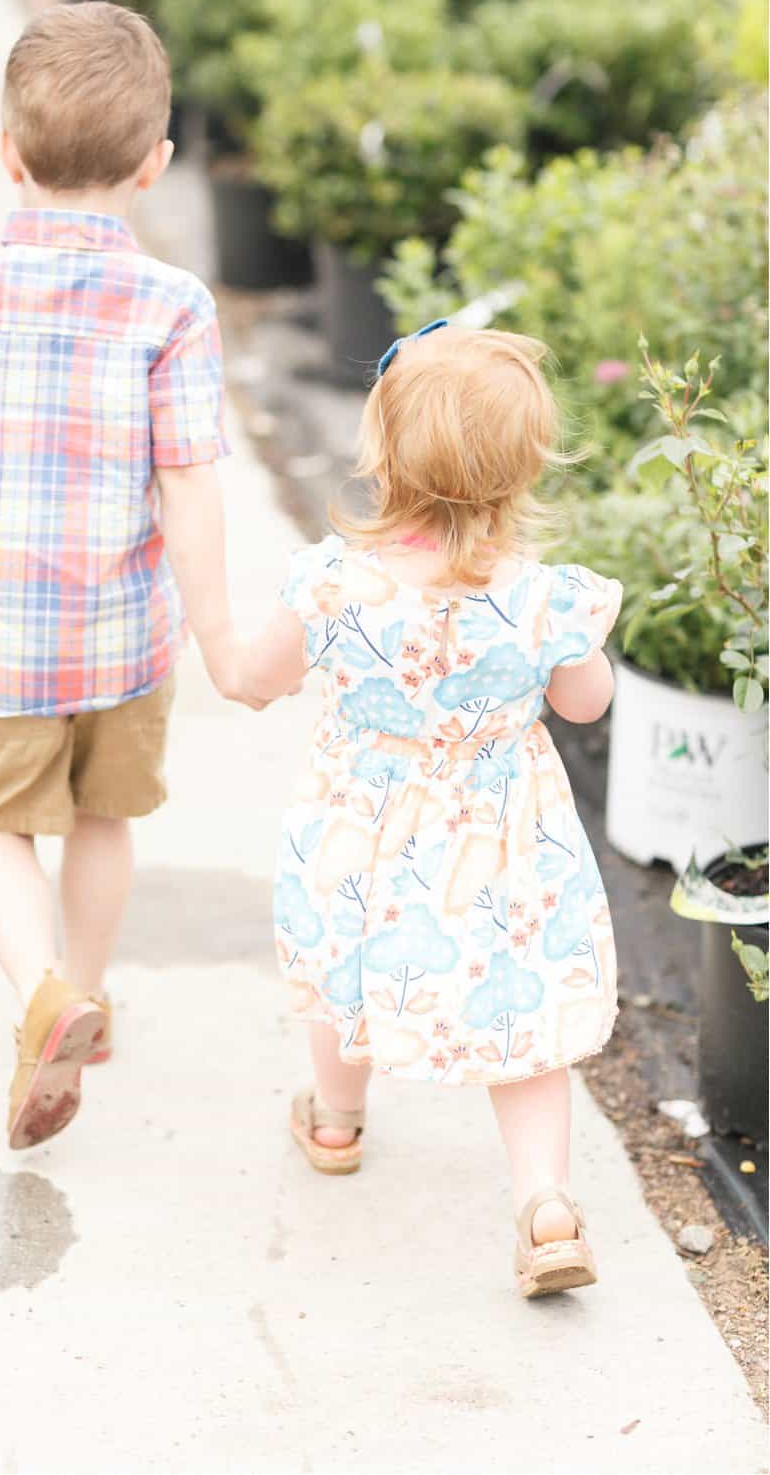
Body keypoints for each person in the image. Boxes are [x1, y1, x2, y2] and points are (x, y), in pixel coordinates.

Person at [0, 1, 256, 1150]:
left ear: (7, 155)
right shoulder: (174, 306)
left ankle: (46, 991)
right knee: (102, 817)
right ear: (156, 165)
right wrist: (219, 629)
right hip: (124, 637)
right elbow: (189, 483)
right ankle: (86, 986)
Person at [241, 321, 622, 1298]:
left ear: (383, 446)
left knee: (345, 967)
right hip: (501, 833)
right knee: (522, 1011)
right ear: (527, 461)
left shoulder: (334, 581)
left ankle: (334, 1119)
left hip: (361, 828)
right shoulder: (542, 598)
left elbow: (262, 676)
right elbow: (585, 703)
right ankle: (543, 1202)